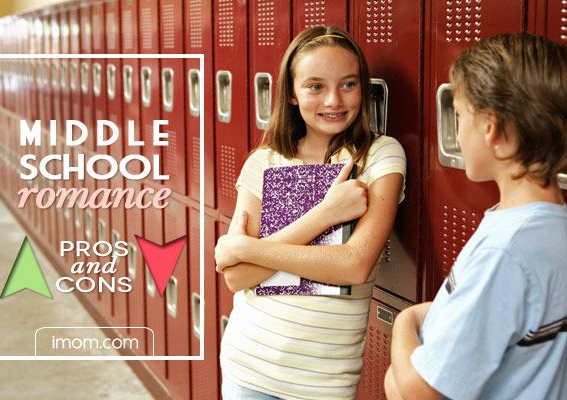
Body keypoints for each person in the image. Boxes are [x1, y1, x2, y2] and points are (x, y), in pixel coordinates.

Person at [213, 25, 406, 399]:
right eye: (315, 86)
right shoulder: (264, 162)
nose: (334, 100)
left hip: (323, 381)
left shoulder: (379, 157)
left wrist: (241, 249)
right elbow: (238, 280)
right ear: (290, 93)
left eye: (348, 84)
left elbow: (354, 264)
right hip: (247, 365)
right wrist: (325, 214)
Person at [385, 33, 567, 400]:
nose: (456, 129)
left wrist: (404, 323)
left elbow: (421, 391)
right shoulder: (549, 227)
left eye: (460, 114)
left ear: (492, 130)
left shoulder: (505, 251)